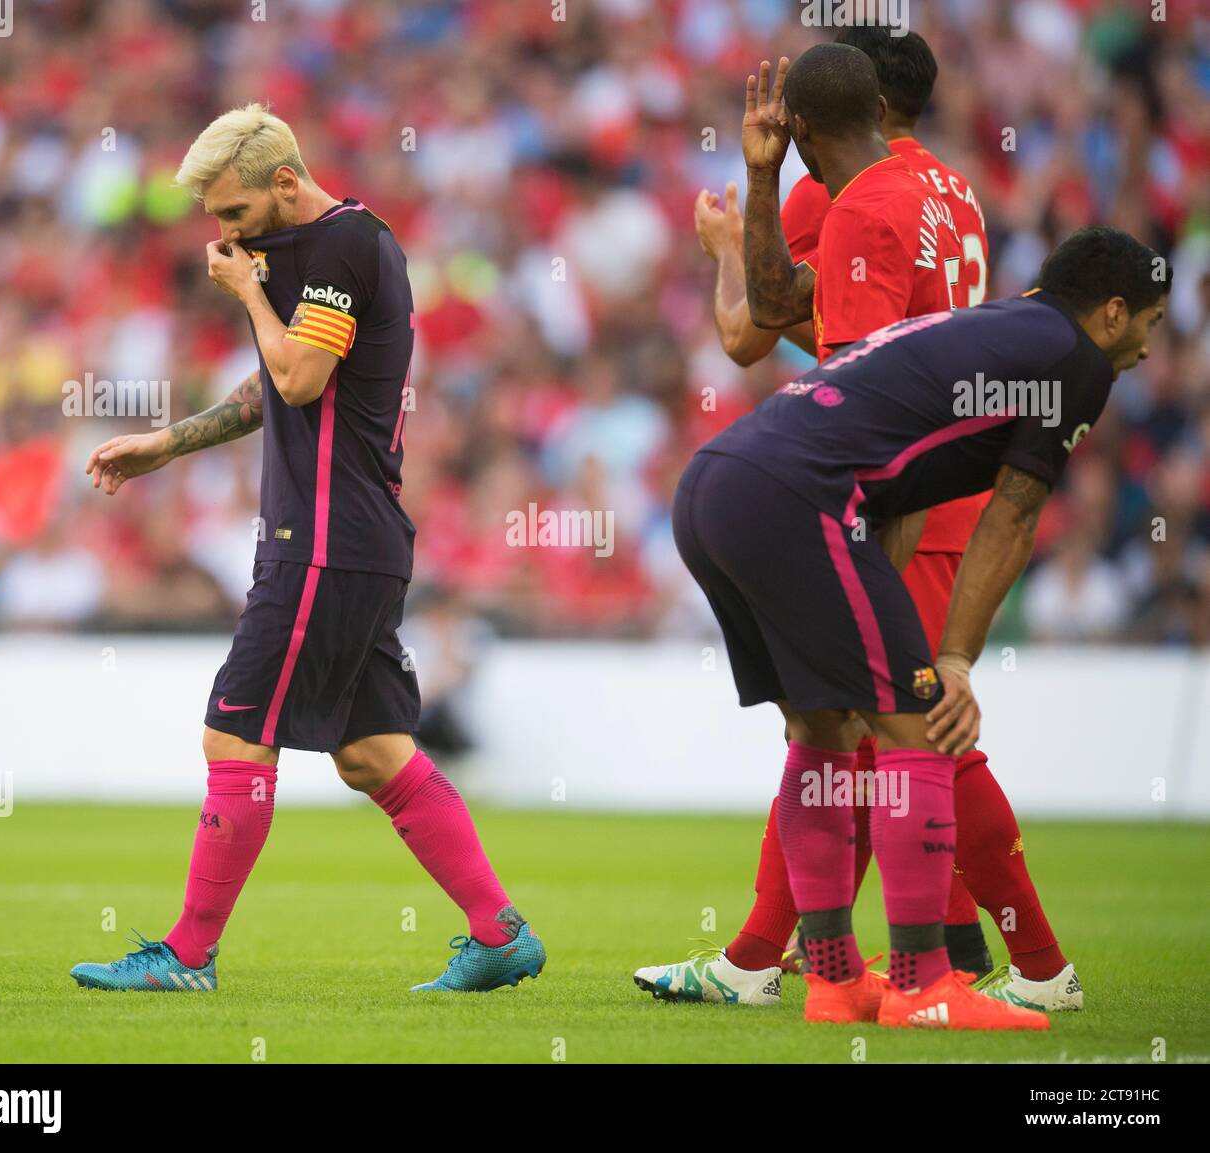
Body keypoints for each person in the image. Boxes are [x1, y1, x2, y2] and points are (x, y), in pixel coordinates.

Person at [70, 104, 545, 994]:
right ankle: (499, 931)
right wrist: (163, 445)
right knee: (372, 752)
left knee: (234, 735)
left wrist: (247, 291)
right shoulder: (328, 251)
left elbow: (297, 376)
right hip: (351, 538)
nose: (225, 234)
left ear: (285, 181)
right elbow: (273, 388)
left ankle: (187, 954)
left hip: (323, 539)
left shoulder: (342, 247)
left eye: (235, 213)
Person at [665, 226, 1166, 1028]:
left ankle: (835, 984)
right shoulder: (1073, 359)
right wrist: (956, 658)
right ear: (1112, 313)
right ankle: (924, 984)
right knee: (924, 731)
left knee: (825, 732)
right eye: (1151, 321)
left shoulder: (989, 332)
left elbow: (896, 492)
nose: (1147, 344)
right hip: (798, 497)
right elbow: (1015, 509)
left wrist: (887, 646)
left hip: (716, 486)